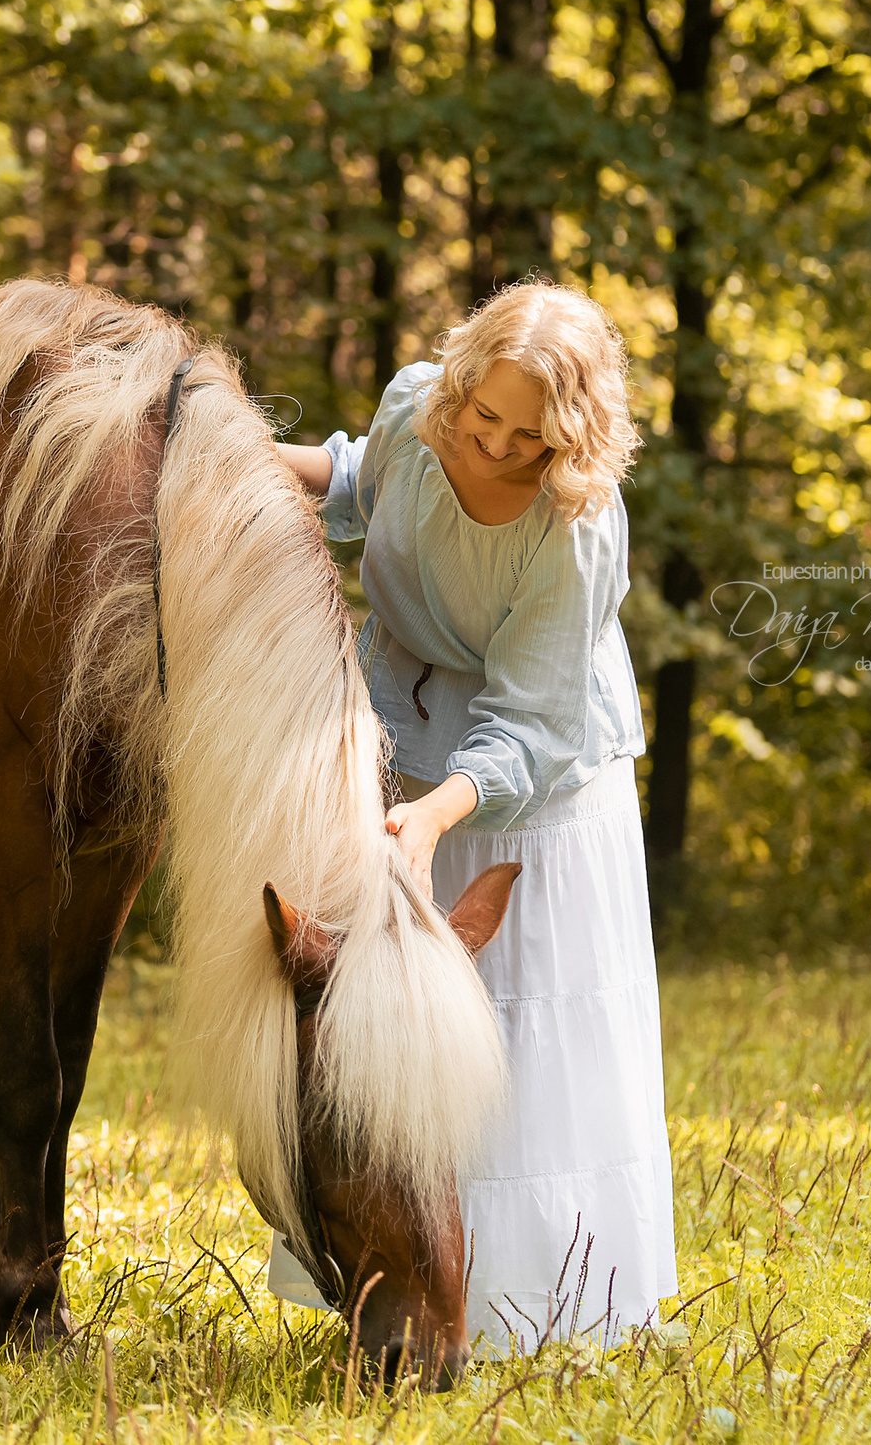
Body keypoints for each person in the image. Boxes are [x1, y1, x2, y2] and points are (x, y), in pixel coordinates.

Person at [269, 281, 676, 1354]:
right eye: (481, 415)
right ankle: (393, 1280)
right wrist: (255, 462)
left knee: (518, 1034)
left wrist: (435, 818)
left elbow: (529, 720)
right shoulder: (419, 410)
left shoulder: (574, 525)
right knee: (396, 1038)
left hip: (520, 787)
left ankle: (525, 1304)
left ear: (572, 436)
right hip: (403, 736)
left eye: (525, 435)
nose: (492, 444)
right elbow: (354, 486)